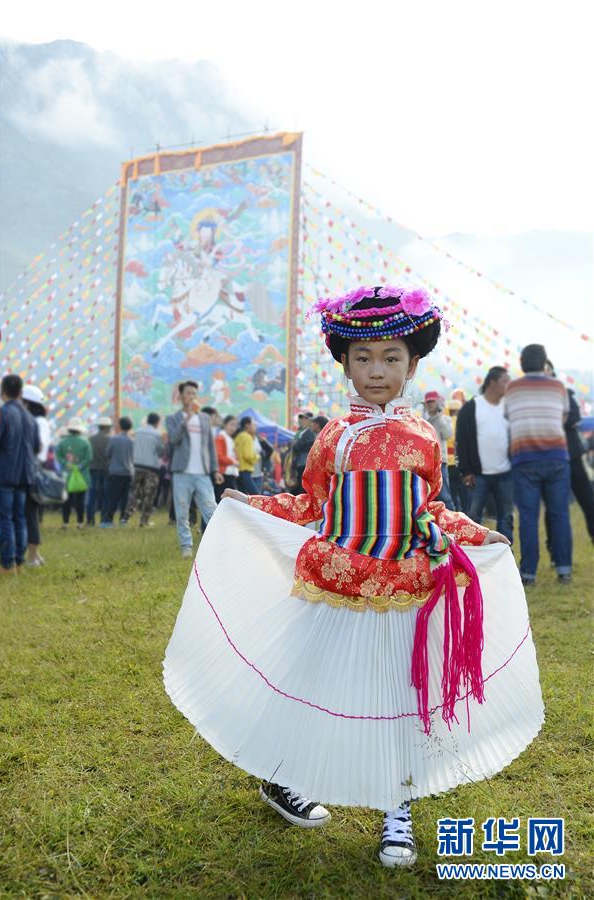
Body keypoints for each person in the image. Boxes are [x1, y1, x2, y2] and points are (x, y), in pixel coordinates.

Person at [164, 284, 543, 869]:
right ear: (345, 364)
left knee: (400, 696)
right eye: (363, 358)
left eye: (391, 358)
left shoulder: (424, 438)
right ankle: (284, 777)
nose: (377, 370)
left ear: (411, 365)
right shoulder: (333, 437)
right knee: (313, 684)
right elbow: (311, 505)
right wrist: (252, 504)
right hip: (334, 583)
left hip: (403, 585)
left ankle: (397, 809)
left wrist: (474, 533)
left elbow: (430, 509)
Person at [505, 344, 572, 586]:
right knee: (560, 514)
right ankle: (564, 569)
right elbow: (563, 417)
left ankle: (528, 573)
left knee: (528, 517)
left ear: (522, 363)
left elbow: (509, 416)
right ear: (544, 363)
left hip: (524, 458)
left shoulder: (512, 388)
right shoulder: (558, 386)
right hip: (556, 457)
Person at [455, 367, 513, 543]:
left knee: (506, 518)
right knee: (473, 519)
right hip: (477, 475)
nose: (509, 385)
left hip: (505, 473)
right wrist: (466, 471)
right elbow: (462, 441)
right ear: (492, 383)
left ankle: (506, 553)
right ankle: (474, 554)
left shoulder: (508, 408)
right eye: (505, 381)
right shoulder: (471, 407)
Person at [165, 381, 221, 558]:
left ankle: (216, 546)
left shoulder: (204, 419)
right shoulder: (173, 419)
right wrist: (187, 418)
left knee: (211, 510)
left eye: (194, 393)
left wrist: (215, 470)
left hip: (202, 473)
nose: (191, 397)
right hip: (182, 473)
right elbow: (173, 440)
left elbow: (210, 446)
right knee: (182, 513)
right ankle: (186, 547)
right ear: (181, 396)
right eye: (188, 393)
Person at [544, 361, 594, 548]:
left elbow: (574, 418)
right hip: (550, 457)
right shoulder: (535, 397)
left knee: (588, 500)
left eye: (548, 370)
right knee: (553, 506)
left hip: (572, 456)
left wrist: (551, 423)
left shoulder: (565, 392)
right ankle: (553, 546)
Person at [0, 374, 40, 573]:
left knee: (4, 518)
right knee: (19, 517)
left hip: (5, 473)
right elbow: (36, 447)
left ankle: (7, 563)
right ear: (21, 393)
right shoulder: (30, 417)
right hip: (24, 475)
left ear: (2, 391)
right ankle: (19, 561)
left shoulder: (3, 413)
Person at [21, 385, 52, 566]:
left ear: (27, 403)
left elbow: (36, 446)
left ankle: (32, 556)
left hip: (31, 469)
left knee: (29, 514)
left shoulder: (36, 422)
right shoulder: (41, 421)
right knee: (31, 513)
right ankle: (36, 555)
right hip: (36, 468)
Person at [124, 413, 164, 527]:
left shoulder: (138, 432)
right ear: (157, 422)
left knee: (134, 493)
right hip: (151, 468)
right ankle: (144, 521)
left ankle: (125, 518)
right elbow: (161, 451)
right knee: (149, 495)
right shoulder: (157, 434)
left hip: (137, 466)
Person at [56, 417, 92, 529]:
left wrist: (67, 464)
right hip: (82, 476)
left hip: (66, 475)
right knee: (80, 500)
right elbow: (89, 458)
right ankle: (80, 523)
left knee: (66, 500)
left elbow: (58, 457)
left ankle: (65, 523)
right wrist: (79, 466)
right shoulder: (85, 442)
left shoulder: (62, 442)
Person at [422, 391, 454, 509]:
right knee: (427, 495)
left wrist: (439, 416)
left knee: (444, 495)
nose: (430, 404)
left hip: (441, 462)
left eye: (433, 401)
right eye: (428, 402)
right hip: (425, 462)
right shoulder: (421, 420)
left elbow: (447, 435)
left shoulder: (445, 419)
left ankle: (451, 518)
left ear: (438, 402)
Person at [101, 417, 134, 527]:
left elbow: (107, 453)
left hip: (115, 472)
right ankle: (123, 521)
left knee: (112, 497)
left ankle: (108, 521)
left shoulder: (114, 439)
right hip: (129, 472)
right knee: (125, 499)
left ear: (120, 426)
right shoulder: (132, 441)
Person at [87, 416, 112, 525]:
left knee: (92, 495)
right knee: (106, 495)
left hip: (93, 469)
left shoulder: (90, 439)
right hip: (106, 470)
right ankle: (103, 519)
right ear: (108, 427)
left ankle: (90, 520)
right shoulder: (110, 439)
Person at [446, 399, 467, 513]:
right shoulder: (462, 422)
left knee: (452, 491)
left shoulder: (447, 421)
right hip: (460, 461)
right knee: (463, 491)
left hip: (449, 463)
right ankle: (466, 512)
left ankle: (455, 513)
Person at [214, 415, 239, 501]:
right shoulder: (221, 437)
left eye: (235, 425)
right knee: (224, 501)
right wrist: (233, 462)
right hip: (223, 474)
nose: (233, 428)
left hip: (230, 474)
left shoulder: (229, 438)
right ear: (224, 424)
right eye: (231, 424)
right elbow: (219, 457)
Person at [234, 417, 260, 495]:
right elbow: (248, 456)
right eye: (253, 425)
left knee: (241, 496)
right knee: (255, 495)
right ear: (247, 425)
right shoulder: (247, 437)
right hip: (245, 471)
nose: (255, 427)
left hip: (237, 471)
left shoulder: (238, 436)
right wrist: (257, 457)